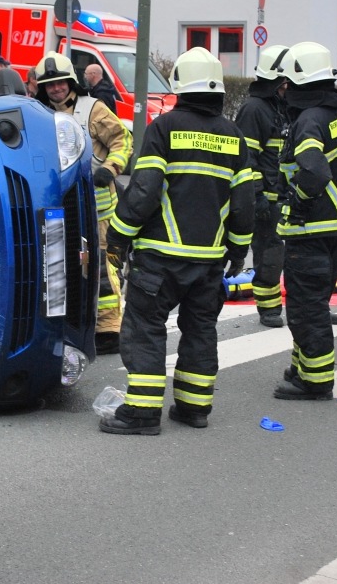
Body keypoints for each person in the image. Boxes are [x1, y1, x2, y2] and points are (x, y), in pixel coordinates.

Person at [102, 47, 254, 434]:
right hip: (208, 262)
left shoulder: (165, 128)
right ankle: (193, 408)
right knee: (200, 330)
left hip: (160, 258)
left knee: (145, 328)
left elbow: (143, 191)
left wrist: (118, 236)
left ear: (179, 86)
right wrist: (237, 252)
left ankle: (141, 413)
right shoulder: (235, 138)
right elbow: (244, 206)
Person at [271, 42, 337, 401]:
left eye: (287, 83)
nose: (283, 90)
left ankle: (316, 380)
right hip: (333, 228)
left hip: (309, 230)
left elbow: (313, 172)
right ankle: (303, 366)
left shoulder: (308, 121)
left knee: (306, 307)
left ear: (297, 83)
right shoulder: (335, 114)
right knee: (312, 302)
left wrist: (300, 202)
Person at [33, 51, 133, 356]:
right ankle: (70, 324)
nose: (56, 89)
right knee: (60, 266)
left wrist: (110, 169)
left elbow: (122, 140)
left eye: (60, 83)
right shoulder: (38, 113)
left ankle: (108, 330)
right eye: (49, 85)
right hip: (60, 206)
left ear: (71, 82)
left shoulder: (93, 109)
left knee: (102, 269)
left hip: (99, 208)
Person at [234, 44, 290, 328]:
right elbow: (247, 158)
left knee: (297, 257)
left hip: (287, 197)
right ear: (278, 81)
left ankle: (306, 305)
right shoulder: (255, 110)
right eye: (286, 83)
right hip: (267, 200)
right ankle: (268, 308)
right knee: (269, 253)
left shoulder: (281, 108)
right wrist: (258, 197)